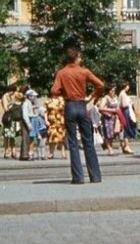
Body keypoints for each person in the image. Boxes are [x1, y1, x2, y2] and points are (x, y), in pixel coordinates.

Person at [50, 46, 105, 184]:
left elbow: (54, 90)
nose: (81, 59)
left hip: (69, 106)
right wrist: (91, 96)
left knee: (73, 143)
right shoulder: (84, 71)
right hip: (82, 105)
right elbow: (100, 85)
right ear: (76, 57)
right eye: (80, 57)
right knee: (88, 141)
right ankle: (95, 176)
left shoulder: (61, 73)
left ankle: (78, 177)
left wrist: (64, 93)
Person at [98, 85, 121, 156]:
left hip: (114, 117)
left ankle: (110, 147)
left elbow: (118, 106)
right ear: (109, 91)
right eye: (113, 90)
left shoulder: (115, 97)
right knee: (108, 134)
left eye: (114, 90)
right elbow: (100, 108)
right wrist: (111, 110)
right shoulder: (105, 98)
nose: (114, 91)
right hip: (107, 117)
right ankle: (109, 149)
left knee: (112, 134)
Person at [45, 91, 66, 159]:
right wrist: (46, 120)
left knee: (61, 138)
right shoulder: (48, 101)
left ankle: (63, 153)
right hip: (52, 122)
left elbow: (64, 111)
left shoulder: (61, 100)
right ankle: (51, 153)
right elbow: (45, 112)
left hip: (60, 121)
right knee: (51, 137)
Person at [117, 81, 136, 155]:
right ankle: (127, 146)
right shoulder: (123, 94)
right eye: (128, 85)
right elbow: (124, 105)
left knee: (126, 128)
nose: (129, 87)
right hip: (126, 112)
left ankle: (125, 146)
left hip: (125, 111)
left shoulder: (122, 93)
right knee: (127, 128)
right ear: (125, 86)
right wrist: (130, 103)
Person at [0, 84, 17, 159]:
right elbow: (6, 108)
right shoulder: (5, 96)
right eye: (13, 92)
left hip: (12, 117)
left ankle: (13, 150)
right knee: (7, 135)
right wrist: (12, 103)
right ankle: (6, 151)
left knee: (12, 135)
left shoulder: (10, 97)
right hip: (7, 117)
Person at [20, 88, 37, 160]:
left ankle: (26, 154)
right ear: (29, 96)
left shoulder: (29, 103)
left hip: (30, 120)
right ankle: (24, 155)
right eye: (33, 96)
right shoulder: (25, 103)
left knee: (28, 138)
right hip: (26, 122)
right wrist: (28, 124)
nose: (34, 98)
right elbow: (25, 115)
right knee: (25, 138)